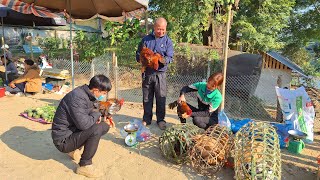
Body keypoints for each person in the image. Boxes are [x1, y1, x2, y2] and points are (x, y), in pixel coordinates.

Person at [52, 75, 113, 178]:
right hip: (63, 141)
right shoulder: (77, 97)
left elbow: (93, 110)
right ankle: (85, 165)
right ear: (96, 90)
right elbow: (84, 124)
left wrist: (103, 116)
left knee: (104, 126)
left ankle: (73, 150)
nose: (104, 96)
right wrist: (97, 115)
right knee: (97, 129)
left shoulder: (87, 94)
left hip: (72, 131)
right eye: (103, 93)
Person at [135, 17, 174, 130]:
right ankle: (147, 119)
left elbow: (170, 57)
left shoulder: (168, 41)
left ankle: (161, 120)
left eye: (163, 29)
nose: (161, 31)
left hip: (160, 74)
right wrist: (141, 59)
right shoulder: (146, 39)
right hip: (147, 73)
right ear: (154, 27)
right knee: (147, 97)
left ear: (165, 28)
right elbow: (138, 53)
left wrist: (161, 59)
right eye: (158, 29)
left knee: (161, 98)